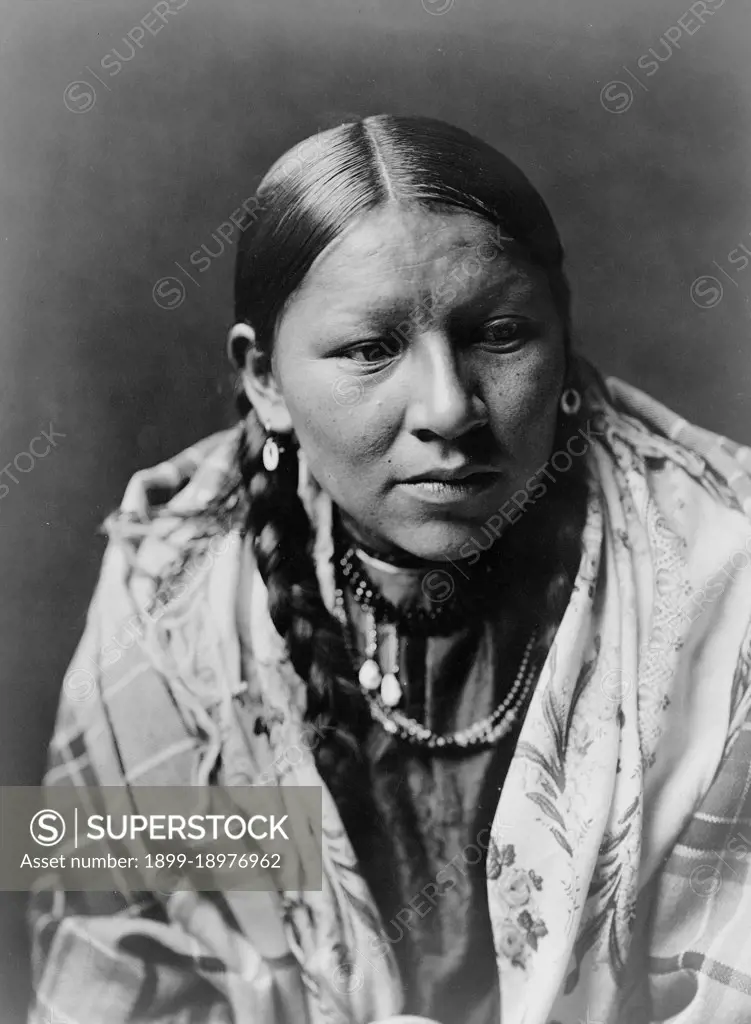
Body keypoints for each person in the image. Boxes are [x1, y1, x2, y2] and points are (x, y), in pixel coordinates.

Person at [27, 114, 751, 1024]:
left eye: (498, 334)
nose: (448, 408)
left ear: (561, 335)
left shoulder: (720, 577)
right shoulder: (173, 595)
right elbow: (105, 964)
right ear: (264, 381)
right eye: (370, 349)